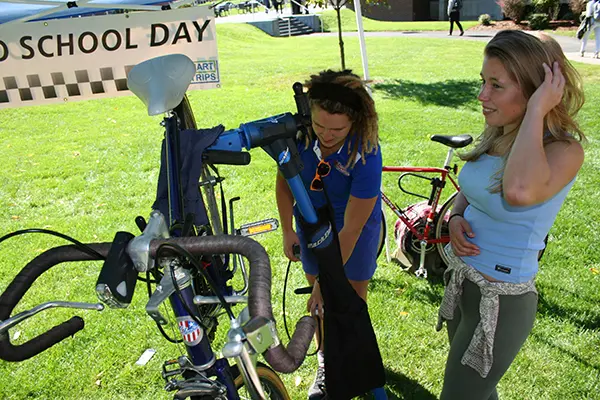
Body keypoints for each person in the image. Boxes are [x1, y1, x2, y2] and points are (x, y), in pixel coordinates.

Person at [437, 30, 586, 400]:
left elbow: (518, 192)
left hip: (502, 302)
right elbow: (470, 188)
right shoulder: (499, 131)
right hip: (464, 284)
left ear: (535, 91)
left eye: (495, 85)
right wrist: (455, 217)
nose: (481, 96)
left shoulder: (563, 151)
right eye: (482, 82)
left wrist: (537, 110)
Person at [275, 69, 381, 400]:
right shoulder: (301, 136)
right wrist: (287, 229)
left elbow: (351, 227)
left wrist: (324, 283)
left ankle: (352, 361)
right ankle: (325, 361)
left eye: (337, 129)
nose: (326, 135)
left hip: (355, 229)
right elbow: (283, 182)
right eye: (320, 125)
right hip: (311, 223)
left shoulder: (366, 152)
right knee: (319, 307)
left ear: (355, 122)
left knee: (349, 299)